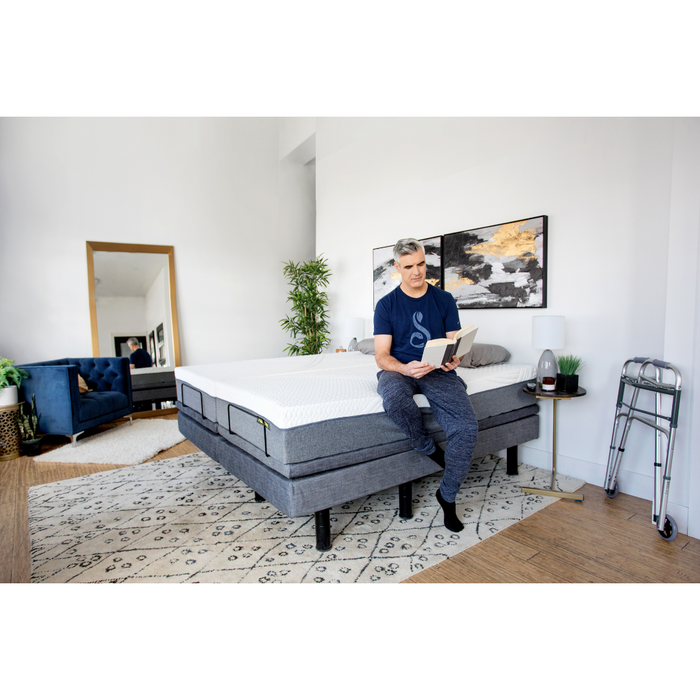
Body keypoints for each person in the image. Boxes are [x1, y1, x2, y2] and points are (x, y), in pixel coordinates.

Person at [374, 238, 478, 532]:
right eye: (409, 266)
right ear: (397, 267)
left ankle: (447, 496)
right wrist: (404, 367)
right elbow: (381, 356)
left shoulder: (443, 299)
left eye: (421, 264)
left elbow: (453, 341)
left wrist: (453, 359)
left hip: (437, 372)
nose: (417, 271)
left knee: (467, 428)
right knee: (394, 399)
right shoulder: (386, 305)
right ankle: (426, 445)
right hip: (400, 370)